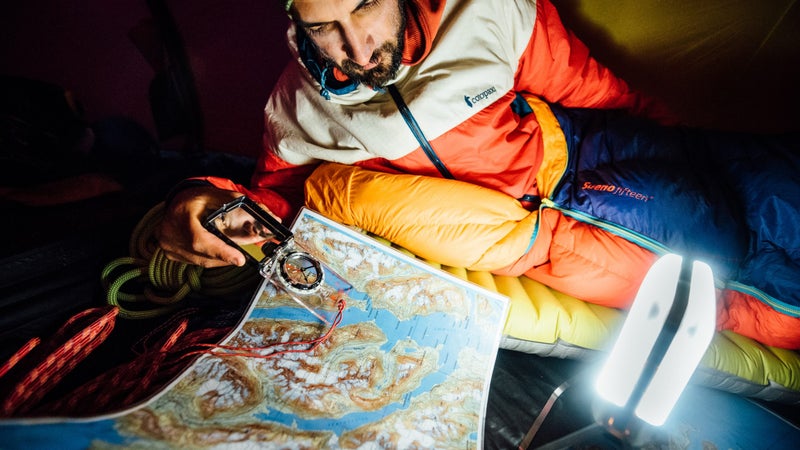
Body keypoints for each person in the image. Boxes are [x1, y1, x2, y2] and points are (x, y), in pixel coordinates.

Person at [157, 0, 800, 349]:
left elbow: (605, 99)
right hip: (524, 233)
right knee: (736, 297)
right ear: (294, 22)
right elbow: (272, 202)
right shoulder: (295, 110)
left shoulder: (491, 14)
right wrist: (198, 197)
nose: (356, 51)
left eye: (368, 6)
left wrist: (690, 152)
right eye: (325, 27)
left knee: (757, 202)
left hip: (579, 157)